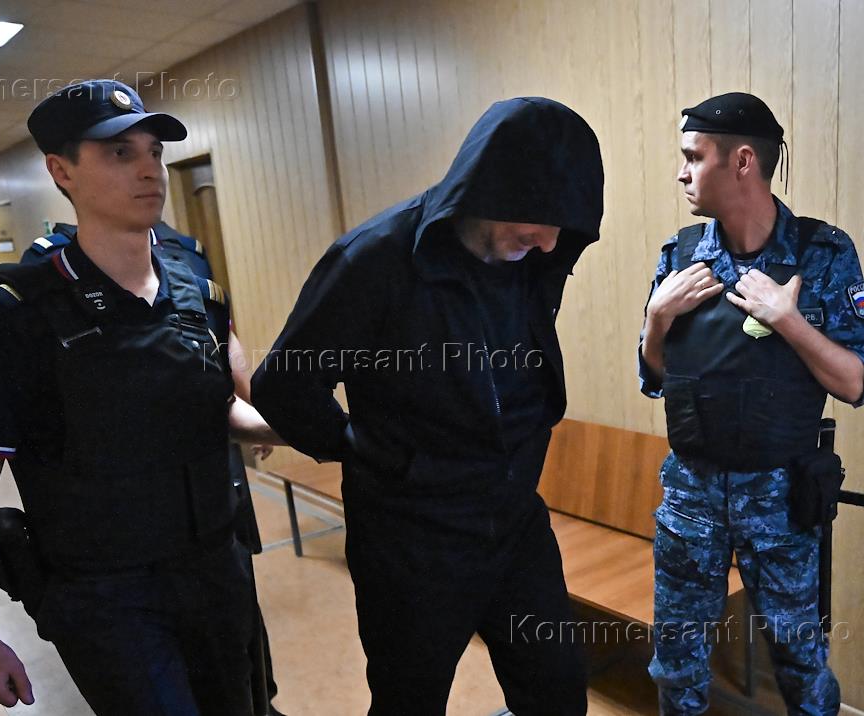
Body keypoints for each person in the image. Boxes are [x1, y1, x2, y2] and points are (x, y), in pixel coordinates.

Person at [0, 79, 282, 715]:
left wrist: (303, 428)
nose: (149, 169)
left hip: (215, 569)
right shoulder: (14, 315)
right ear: (61, 171)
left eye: (155, 152)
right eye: (120, 153)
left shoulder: (196, 284)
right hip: (106, 595)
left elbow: (221, 406)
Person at [251, 97, 603, 716]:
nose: (549, 242)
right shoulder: (375, 259)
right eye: (541, 219)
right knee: (409, 699)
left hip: (513, 520)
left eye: (563, 227)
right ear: (491, 186)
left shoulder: (533, 257)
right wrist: (365, 450)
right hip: (411, 540)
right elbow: (284, 384)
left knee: (557, 687)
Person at [638, 92, 864, 715]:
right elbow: (657, 377)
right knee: (676, 668)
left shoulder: (822, 255)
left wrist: (788, 321)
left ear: (743, 161)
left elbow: (858, 383)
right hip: (691, 498)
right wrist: (657, 318)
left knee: (802, 665)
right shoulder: (681, 256)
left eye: (694, 157)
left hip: (779, 501)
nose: (682, 173)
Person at [21, 218, 285, 715]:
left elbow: (221, 355)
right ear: (66, 179)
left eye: (154, 167)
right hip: (112, 556)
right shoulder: (40, 281)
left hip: (206, 520)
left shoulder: (188, 259)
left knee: (238, 669)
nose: (145, 179)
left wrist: (269, 418)